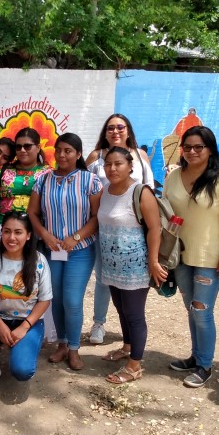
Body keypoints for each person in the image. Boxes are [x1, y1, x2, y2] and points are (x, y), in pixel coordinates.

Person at [163, 127, 219, 388]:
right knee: (190, 309)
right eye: (188, 147)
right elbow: (164, 212)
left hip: (210, 257)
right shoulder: (174, 177)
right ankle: (196, 357)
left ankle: (205, 365)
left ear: (210, 150)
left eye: (199, 147)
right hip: (180, 255)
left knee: (202, 311)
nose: (193, 152)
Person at [28, 133, 102, 370]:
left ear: (79, 154)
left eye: (68, 150)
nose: (61, 155)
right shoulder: (43, 179)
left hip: (79, 249)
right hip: (52, 250)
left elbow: (96, 216)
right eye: (58, 150)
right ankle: (61, 345)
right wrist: (46, 236)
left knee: (72, 300)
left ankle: (74, 349)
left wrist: (76, 237)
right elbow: (32, 213)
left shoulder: (90, 181)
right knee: (56, 299)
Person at [97, 147, 164, 384]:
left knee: (134, 315)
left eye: (118, 164)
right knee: (121, 309)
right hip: (112, 265)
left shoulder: (141, 192)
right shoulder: (105, 190)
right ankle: (127, 348)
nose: (112, 168)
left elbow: (155, 228)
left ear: (130, 166)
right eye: (108, 164)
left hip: (135, 266)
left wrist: (153, 261)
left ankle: (135, 365)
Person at [86, 113, 155, 345]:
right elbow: (85, 188)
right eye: (110, 128)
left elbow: (149, 191)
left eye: (120, 127)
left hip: (132, 229)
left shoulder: (140, 156)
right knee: (103, 279)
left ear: (128, 130)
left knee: (131, 290)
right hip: (103, 228)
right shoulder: (96, 157)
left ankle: (131, 342)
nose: (115, 132)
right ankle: (99, 323)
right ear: (105, 132)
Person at [0, 212, 52, 395]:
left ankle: (20, 352)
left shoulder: (39, 261)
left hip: (29, 322)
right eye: (6, 231)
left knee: (22, 371)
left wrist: (24, 327)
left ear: (28, 235)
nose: (11, 237)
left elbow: (45, 299)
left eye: (18, 232)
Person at [0, 128, 52, 225]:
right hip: (2, 230)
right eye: (18, 147)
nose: (22, 150)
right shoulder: (1, 171)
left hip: (35, 230)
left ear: (38, 147)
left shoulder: (49, 173)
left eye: (27, 146)